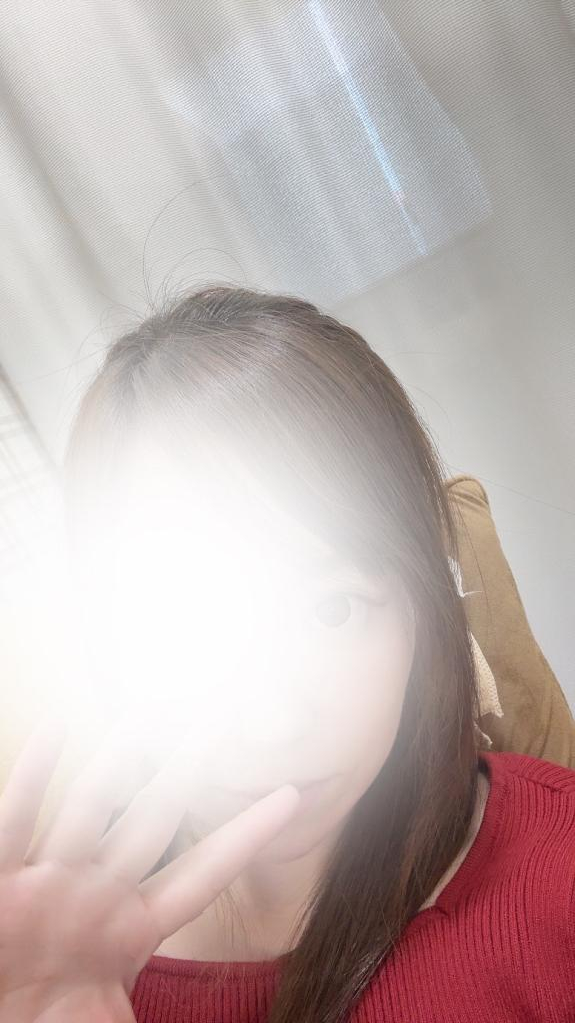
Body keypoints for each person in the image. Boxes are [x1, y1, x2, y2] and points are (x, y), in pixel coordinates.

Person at [0, 286, 573, 1023]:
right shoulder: (40, 964)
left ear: (425, 603)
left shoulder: (555, 878)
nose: (273, 724)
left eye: (333, 610)